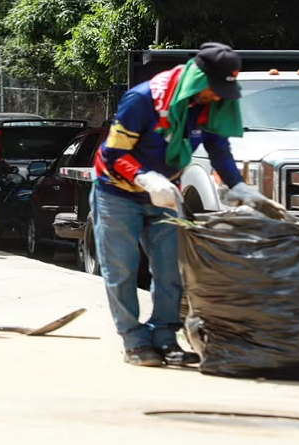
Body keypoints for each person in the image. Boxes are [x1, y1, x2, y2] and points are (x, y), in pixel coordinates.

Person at [91, 42, 286, 367]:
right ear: (197, 79)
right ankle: (135, 341)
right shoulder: (142, 100)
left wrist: (238, 186)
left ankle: (165, 338)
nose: (218, 95)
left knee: (171, 271)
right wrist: (146, 179)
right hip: (118, 193)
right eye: (214, 87)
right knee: (121, 269)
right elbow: (113, 153)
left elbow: (218, 147)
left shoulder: (210, 105)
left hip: (168, 193)